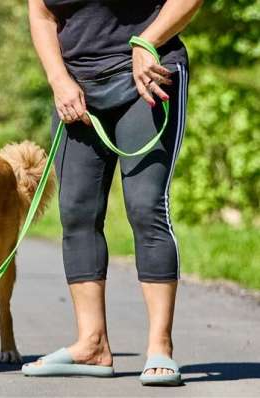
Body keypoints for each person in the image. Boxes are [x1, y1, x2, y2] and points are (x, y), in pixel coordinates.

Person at [23, 0, 204, 385]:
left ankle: (160, 347)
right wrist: (58, 79)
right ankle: (92, 345)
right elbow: (41, 14)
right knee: (76, 212)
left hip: (148, 74)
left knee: (145, 206)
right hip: (76, 87)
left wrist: (148, 40)